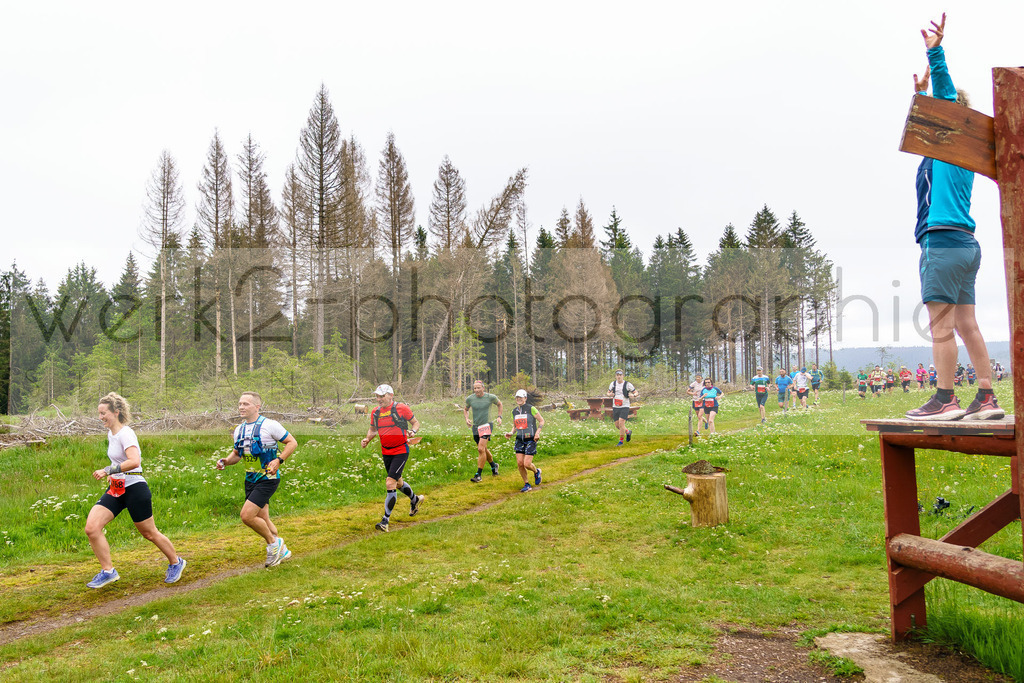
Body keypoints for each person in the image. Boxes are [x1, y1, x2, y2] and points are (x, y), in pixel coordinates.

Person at [906, 13, 1003, 420]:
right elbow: (929, 117)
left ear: (952, 118)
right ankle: (985, 398)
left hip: (942, 242)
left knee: (942, 326)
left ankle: (945, 397)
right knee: (968, 324)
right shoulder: (959, 158)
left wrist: (935, 52)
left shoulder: (951, 145)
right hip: (966, 245)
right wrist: (921, 97)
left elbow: (945, 101)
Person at [84, 392, 185, 588]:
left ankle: (176, 562)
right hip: (116, 488)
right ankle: (108, 571)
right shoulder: (111, 434)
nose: (100, 417)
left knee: (149, 533)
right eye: (99, 413)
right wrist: (111, 474)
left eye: (103, 413)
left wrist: (107, 470)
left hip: (135, 487)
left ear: (116, 412)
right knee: (92, 528)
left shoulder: (126, 433)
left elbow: (134, 461)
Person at [216, 392, 298, 567]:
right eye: (239, 404)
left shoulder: (270, 425)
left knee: (246, 516)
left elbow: (292, 442)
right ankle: (281, 548)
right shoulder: (239, 429)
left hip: (268, 477)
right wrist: (225, 461)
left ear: (257, 407)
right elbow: (237, 454)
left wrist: (279, 460)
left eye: (246, 404)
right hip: (250, 479)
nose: (241, 407)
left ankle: (273, 545)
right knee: (264, 518)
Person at [361, 384, 424, 532]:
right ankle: (415, 500)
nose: (379, 399)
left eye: (382, 396)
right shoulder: (375, 412)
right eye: (377, 396)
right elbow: (372, 429)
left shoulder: (401, 408)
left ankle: (385, 521)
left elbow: (415, 422)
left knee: (390, 482)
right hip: (386, 452)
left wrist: (413, 432)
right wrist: (367, 439)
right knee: (398, 482)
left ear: (391, 395)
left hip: (401, 450)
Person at [504, 389, 544, 492]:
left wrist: (537, 433)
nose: (519, 399)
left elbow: (541, 421)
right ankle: (527, 484)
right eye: (517, 397)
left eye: (521, 397)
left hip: (531, 439)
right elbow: (515, 426)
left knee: (527, 464)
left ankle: (536, 472)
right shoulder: (514, 411)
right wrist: (511, 433)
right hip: (519, 439)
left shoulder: (531, 409)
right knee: (520, 463)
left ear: (525, 398)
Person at [464, 380, 503, 482]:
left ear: (483, 388)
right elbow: (466, 409)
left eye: (478, 388)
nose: (476, 390)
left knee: (480, 449)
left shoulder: (490, 397)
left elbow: (499, 404)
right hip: (476, 426)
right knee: (483, 449)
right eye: (475, 388)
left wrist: (499, 417)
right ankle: (494, 466)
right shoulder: (470, 399)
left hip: (486, 425)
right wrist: (467, 419)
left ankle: (478, 475)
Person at [607, 369, 638, 446]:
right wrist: (609, 395)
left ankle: (621, 442)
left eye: (620, 375)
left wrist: (633, 395)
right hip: (616, 406)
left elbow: (636, 392)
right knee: (617, 425)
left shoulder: (628, 384)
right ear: (615, 376)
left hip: (625, 406)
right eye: (617, 375)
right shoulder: (613, 384)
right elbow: (608, 392)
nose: (619, 377)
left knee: (621, 423)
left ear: (623, 376)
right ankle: (627, 432)